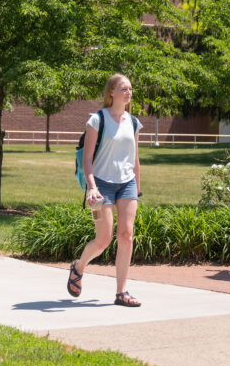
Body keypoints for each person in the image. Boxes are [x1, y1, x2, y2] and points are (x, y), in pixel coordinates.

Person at [66, 74, 143, 306]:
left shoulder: (134, 122)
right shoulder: (97, 120)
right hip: (101, 186)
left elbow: (135, 159)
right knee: (103, 239)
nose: (128, 92)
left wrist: (137, 189)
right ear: (112, 92)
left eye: (130, 89)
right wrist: (91, 188)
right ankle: (78, 267)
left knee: (126, 236)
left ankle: (121, 293)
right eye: (123, 88)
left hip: (127, 184)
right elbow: (87, 160)